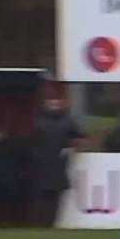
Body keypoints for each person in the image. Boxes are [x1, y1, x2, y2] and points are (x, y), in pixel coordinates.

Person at [30, 96, 85, 228]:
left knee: (55, 197)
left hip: (59, 165)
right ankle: (39, 223)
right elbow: (31, 143)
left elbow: (81, 138)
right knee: (41, 196)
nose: (54, 106)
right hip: (41, 165)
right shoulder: (38, 122)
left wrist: (72, 148)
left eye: (57, 103)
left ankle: (51, 223)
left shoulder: (68, 122)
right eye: (51, 103)